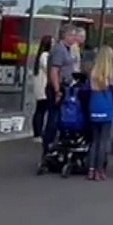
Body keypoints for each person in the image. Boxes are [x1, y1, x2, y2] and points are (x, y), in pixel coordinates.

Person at [42, 25, 81, 155]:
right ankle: (48, 147)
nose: (75, 38)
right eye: (73, 35)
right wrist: (57, 90)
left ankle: (56, 145)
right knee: (54, 118)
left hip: (65, 86)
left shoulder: (67, 49)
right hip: (58, 87)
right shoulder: (59, 50)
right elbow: (54, 71)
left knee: (60, 117)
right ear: (66, 35)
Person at [86, 46, 113, 180]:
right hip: (106, 107)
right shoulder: (111, 74)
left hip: (94, 106)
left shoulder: (93, 73)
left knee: (94, 141)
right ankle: (100, 170)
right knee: (103, 142)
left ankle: (91, 169)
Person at [30, 36, 52, 140]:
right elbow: (48, 68)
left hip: (40, 86)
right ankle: (37, 132)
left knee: (40, 109)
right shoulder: (45, 55)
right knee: (41, 110)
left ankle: (38, 131)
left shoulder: (42, 55)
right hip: (43, 86)